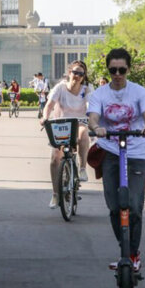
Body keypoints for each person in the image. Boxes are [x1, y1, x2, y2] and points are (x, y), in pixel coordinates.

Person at [87, 48, 145, 273]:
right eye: (113, 69)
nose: (117, 74)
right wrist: (97, 128)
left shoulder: (139, 92)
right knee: (115, 207)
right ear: (108, 69)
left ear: (128, 69)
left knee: (134, 206)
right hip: (110, 151)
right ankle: (124, 249)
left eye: (122, 69)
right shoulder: (99, 94)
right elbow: (93, 118)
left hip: (136, 151)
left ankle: (133, 254)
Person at [41, 61, 94, 208]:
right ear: (69, 73)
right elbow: (49, 106)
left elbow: (90, 105)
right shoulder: (60, 88)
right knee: (55, 159)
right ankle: (55, 195)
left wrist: (93, 118)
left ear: (84, 77)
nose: (77, 76)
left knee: (84, 134)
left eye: (81, 74)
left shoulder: (87, 89)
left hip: (80, 122)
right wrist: (45, 117)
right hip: (61, 124)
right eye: (75, 72)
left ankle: (82, 169)